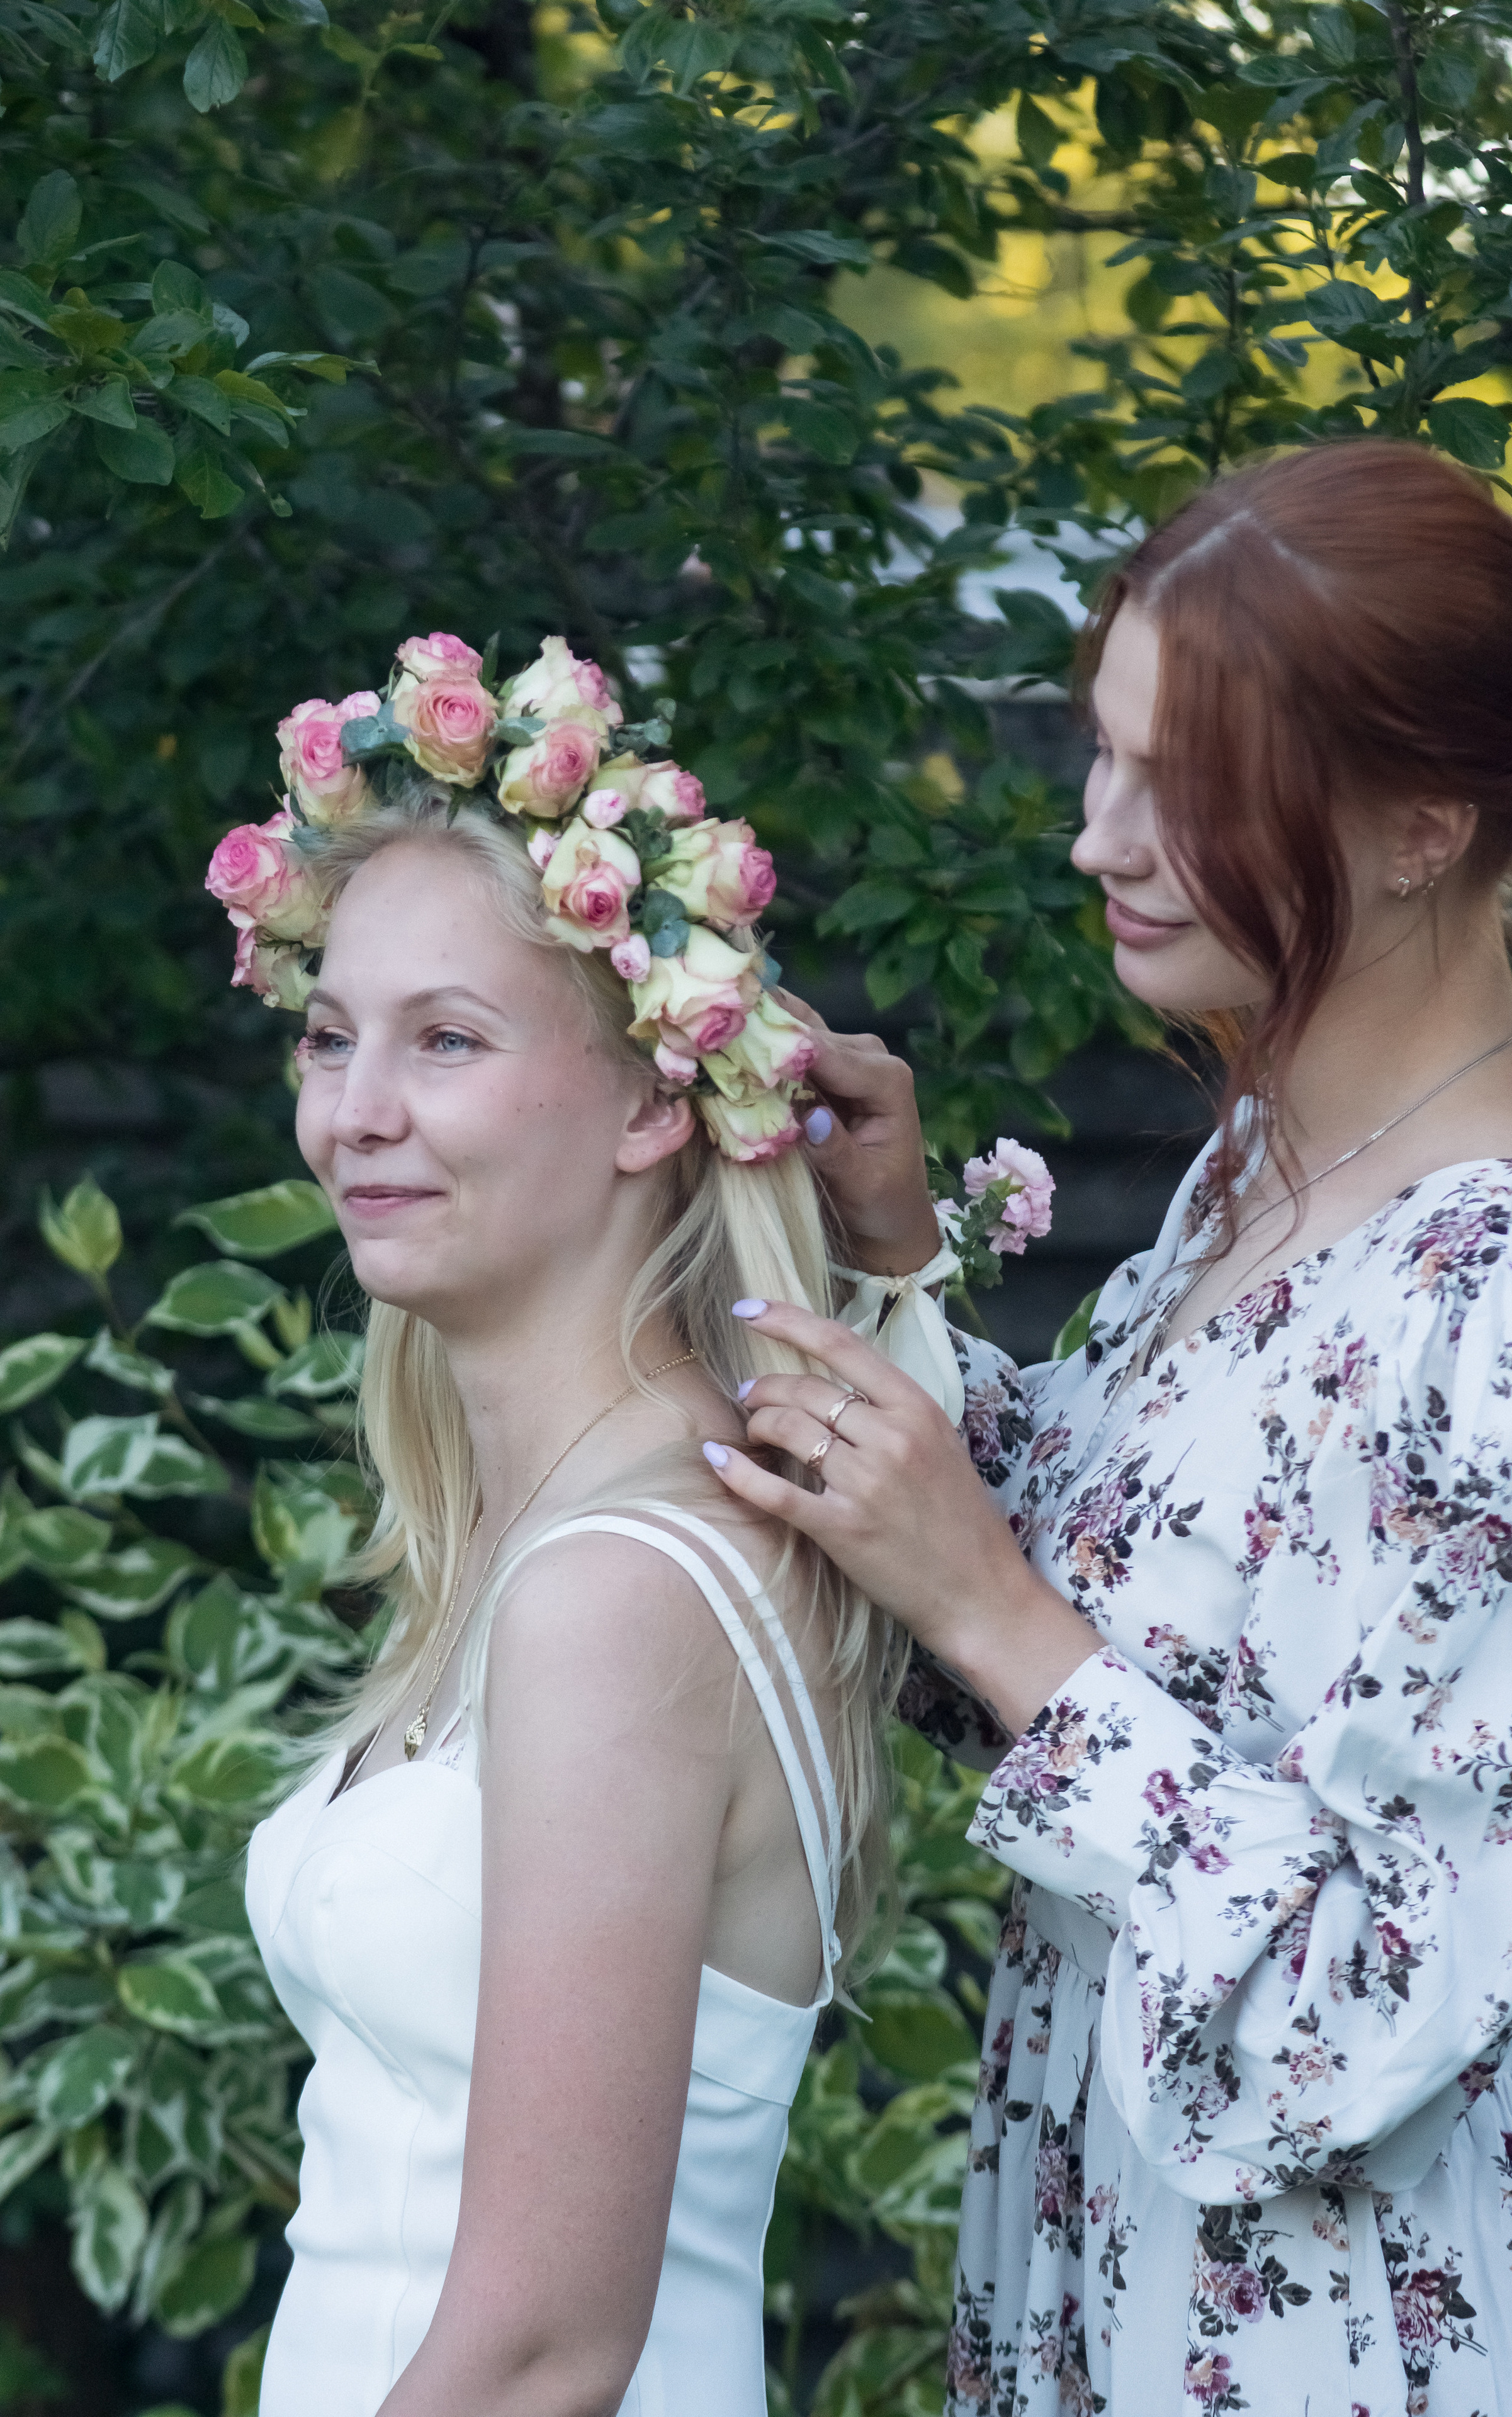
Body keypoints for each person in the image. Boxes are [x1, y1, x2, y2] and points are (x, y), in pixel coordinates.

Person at [704, 441, 1512, 2414]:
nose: (1098, 842)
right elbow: (1146, 1626)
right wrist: (895, 1272)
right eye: (1105, 760)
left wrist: (993, 1614)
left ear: (1420, 826)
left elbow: (1367, 2012)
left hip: (1350, 2336)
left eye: (1184, 790)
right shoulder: (1277, 1167)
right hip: (1127, 2274)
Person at [213, 634, 898, 2417]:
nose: (356, 1113)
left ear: (657, 1098)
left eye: (446, 1041)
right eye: (332, 1038)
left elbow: (544, 2348)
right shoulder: (544, 1543)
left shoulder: (622, 1590)